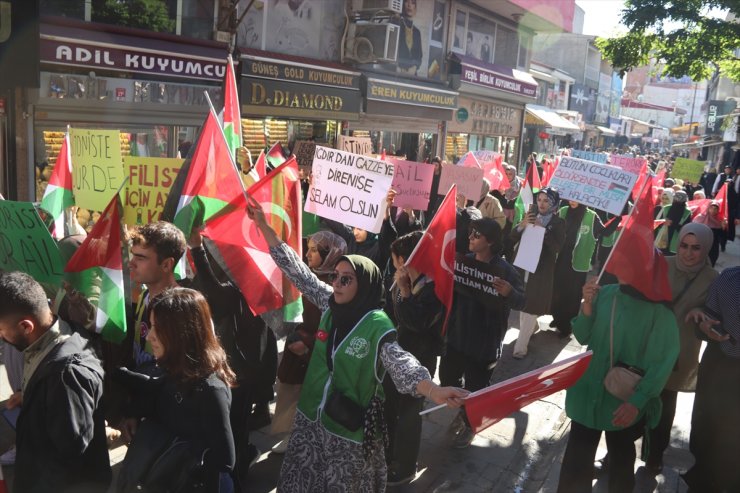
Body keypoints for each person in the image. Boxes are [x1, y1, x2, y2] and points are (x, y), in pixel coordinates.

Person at [245, 195, 468, 492]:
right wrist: (262, 225)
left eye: (346, 279)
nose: (336, 283)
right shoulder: (328, 302)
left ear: (364, 285)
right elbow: (296, 269)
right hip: (311, 420)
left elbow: (400, 363)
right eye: (336, 276)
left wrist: (434, 390)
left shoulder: (377, 325)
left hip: (347, 433)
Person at [556, 278, 679, 493]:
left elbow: (662, 363)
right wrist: (587, 304)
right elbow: (582, 335)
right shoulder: (605, 293)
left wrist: (637, 401)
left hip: (622, 400)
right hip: (587, 393)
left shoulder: (660, 312)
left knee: (620, 464)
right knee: (576, 462)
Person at [115, 288, 236, 492]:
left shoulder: (211, 390)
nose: (150, 336)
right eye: (151, 326)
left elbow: (225, 460)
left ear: (183, 333)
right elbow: (160, 396)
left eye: (158, 328)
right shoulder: (171, 369)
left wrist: (176, 457)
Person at [0, 271, 111, 492]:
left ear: (25, 327)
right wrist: (31, 397)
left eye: (2, 330)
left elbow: (70, 453)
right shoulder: (51, 342)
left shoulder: (66, 375)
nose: (1, 337)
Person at [440, 218, 525, 448]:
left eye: (476, 235)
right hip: (458, 336)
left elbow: (523, 300)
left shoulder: (505, 270)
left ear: (490, 242)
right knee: (448, 379)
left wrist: (509, 293)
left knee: (477, 389)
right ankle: (463, 410)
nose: (470, 238)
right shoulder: (463, 261)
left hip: (485, 343)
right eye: (470, 233)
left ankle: (470, 424)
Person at [641, 224, 718, 474]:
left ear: (705, 248)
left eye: (696, 248)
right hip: (648, 343)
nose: (688, 253)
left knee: (664, 406)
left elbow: (716, 312)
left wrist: (703, 312)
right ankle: (618, 449)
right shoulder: (662, 263)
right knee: (635, 397)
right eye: (684, 245)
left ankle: (655, 455)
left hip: (679, 350)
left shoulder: (712, 279)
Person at [271, 230, 347, 454]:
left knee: (307, 395)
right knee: (290, 389)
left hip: (315, 352)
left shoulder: (336, 286)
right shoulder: (310, 277)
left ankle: (299, 438)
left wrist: (310, 343)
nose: (307, 254)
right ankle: (290, 434)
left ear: (329, 252)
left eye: (314, 250)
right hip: (298, 346)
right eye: (309, 248)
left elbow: (337, 326)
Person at [384, 231, 446, 484]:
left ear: (404, 260)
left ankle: (406, 466)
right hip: (400, 353)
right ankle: (389, 455)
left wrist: (404, 292)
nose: (394, 265)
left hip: (420, 358)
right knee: (391, 405)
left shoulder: (432, 287)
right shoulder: (412, 281)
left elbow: (416, 322)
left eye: (395, 259)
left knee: (409, 414)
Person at [682, 267, 740, 492]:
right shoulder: (728, 279)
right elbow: (707, 319)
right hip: (718, 368)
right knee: (706, 428)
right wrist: (705, 327)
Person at [509, 187, 566, 358]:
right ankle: (531, 327)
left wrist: (543, 229)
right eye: (539, 200)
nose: (541, 204)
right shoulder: (530, 214)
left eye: (546, 200)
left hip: (540, 270)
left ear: (553, 204)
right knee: (522, 300)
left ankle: (520, 347)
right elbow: (512, 237)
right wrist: (522, 225)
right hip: (522, 265)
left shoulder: (558, 223)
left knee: (531, 304)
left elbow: (558, 247)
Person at [550, 201, 612, 337]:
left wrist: (619, 218)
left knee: (573, 295)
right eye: (572, 197)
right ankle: (557, 318)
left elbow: (605, 232)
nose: (573, 201)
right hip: (561, 259)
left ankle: (567, 326)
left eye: (577, 199)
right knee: (558, 291)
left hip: (579, 263)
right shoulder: (563, 211)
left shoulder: (592, 216)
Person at [655, 190, 692, 255]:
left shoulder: (687, 212)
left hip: (675, 240)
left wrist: (677, 225)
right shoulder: (666, 208)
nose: (677, 202)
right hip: (662, 238)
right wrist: (664, 222)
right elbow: (657, 222)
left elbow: (687, 228)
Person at [693, 201, 726, 266]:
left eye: (715, 209)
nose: (713, 210)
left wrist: (723, 228)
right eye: (711, 208)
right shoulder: (700, 217)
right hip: (701, 245)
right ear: (708, 208)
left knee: (711, 263)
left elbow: (722, 236)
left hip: (713, 247)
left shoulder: (719, 220)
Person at [395, 0, 422, 75]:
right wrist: (396, 67)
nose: (409, 5)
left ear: (415, 8)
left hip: (412, 75)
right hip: (396, 73)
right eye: (407, 1)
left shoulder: (417, 32)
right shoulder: (396, 25)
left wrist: (414, 68)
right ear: (402, 4)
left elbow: (419, 57)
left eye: (413, 3)